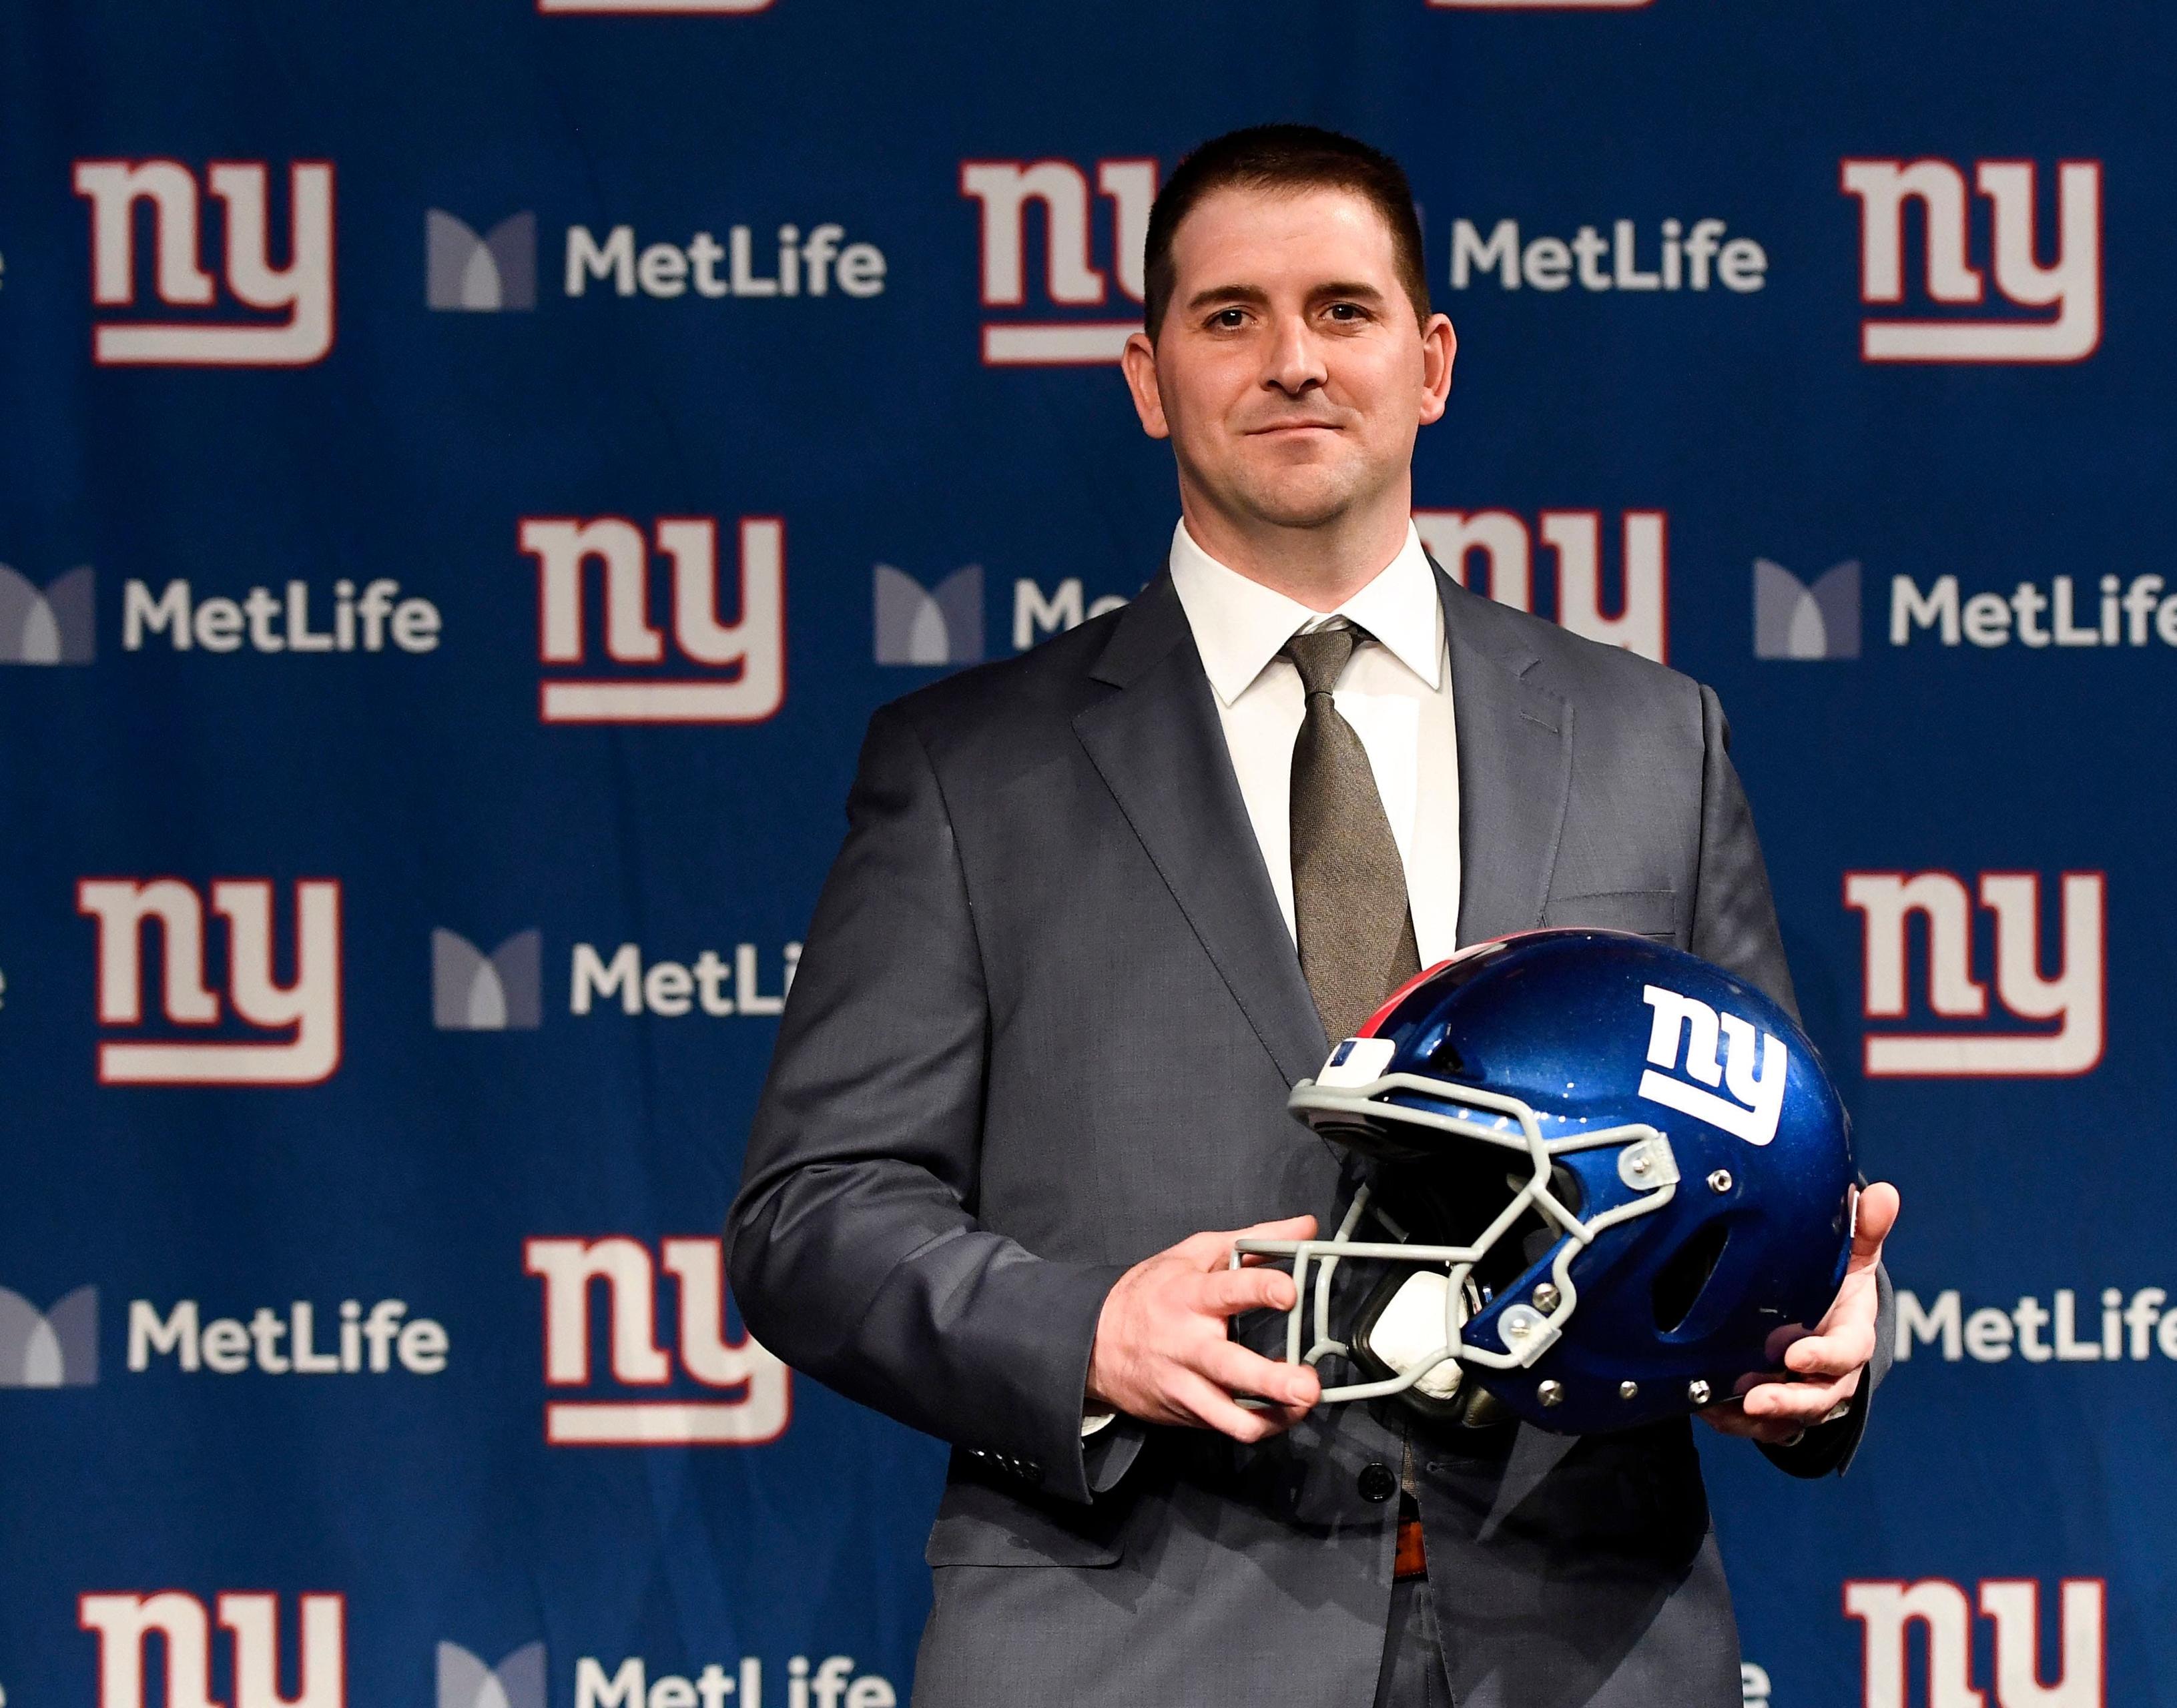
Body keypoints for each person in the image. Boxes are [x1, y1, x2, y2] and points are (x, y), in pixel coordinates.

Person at [726, 122, 1898, 1708]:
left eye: (1342, 311)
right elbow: (816, 1211)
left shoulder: (1649, 739)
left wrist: (1808, 1341)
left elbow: (1756, 1151)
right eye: (1231, 318)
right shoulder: (966, 766)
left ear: (1431, 362)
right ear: (1147, 377)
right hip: (1130, 1648)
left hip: (1585, 1643)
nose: (1292, 361)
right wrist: (1085, 1335)